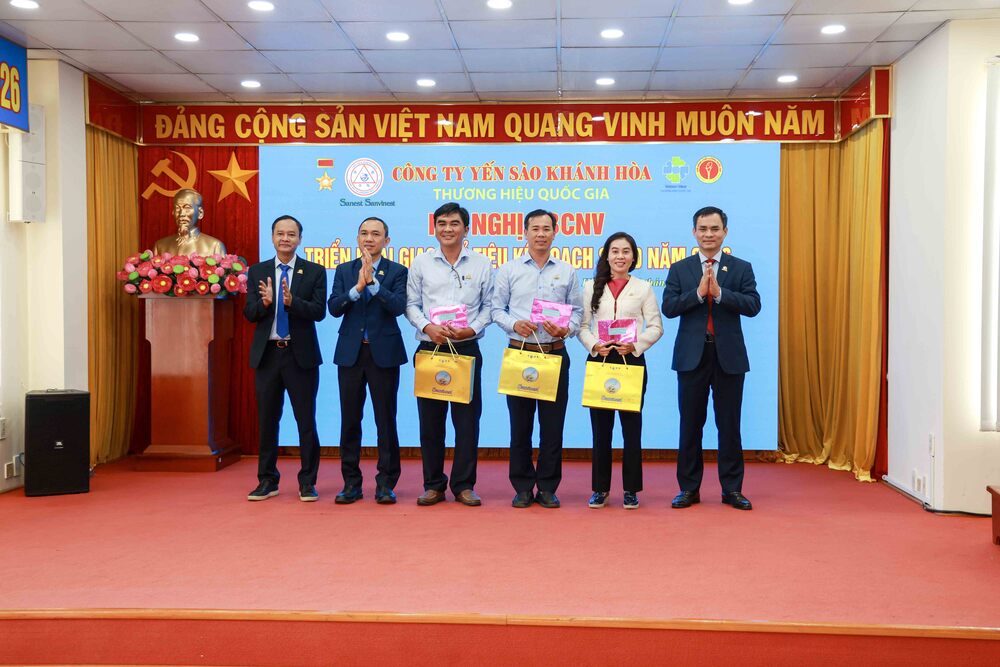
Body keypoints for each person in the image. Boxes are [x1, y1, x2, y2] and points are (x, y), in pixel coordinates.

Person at [661, 206, 761, 511]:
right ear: (694, 232)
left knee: (729, 425)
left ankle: (732, 489)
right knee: (690, 425)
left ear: (725, 232)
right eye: (703, 229)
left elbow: (753, 305)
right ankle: (688, 489)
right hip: (692, 357)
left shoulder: (740, 268)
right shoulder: (680, 269)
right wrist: (697, 294)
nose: (708, 234)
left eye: (714, 229)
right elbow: (669, 307)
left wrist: (719, 294)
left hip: (728, 357)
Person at [491, 209, 582, 509]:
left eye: (546, 229)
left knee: (552, 427)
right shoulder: (509, 270)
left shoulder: (567, 271)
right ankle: (521, 487)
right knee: (520, 426)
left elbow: (578, 313)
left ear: (555, 232)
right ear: (525, 233)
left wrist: (566, 329)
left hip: (554, 353)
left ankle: (547, 487)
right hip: (520, 353)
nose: (541, 234)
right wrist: (514, 324)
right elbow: (496, 310)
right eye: (535, 228)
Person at [405, 202, 494, 507]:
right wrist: (427, 327)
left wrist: (471, 330)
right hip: (430, 348)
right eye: (441, 223)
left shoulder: (482, 264)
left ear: (466, 229)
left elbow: (489, 307)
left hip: (466, 348)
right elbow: (411, 304)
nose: (447, 229)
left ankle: (464, 485)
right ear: (435, 228)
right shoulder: (421, 263)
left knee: (467, 422)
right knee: (430, 422)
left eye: (454, 223)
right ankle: (433, 485)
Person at [244, 215, 327, 502]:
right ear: (272, 237)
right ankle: (267, 480)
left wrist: (293, 303)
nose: (285, 239)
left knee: (306, 421)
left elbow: (319, 312)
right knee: (267, 421)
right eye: (280, 233)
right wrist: (265, 303)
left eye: (291, 234)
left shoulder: (314, 271)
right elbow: (249, 313)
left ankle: (308, 482)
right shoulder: (257, 271)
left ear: (300, 239)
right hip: (267, 356)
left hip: (299, 356)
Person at [578, 232, 663, 509]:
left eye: (626, 251)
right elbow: (582, 326)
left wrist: (636, 345)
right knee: (600, 431)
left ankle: (631, 490)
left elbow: (656, 326)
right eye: (615, 251)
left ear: (633, 257)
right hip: (601, 360)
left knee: (631, 429)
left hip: (631, 361)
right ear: (606, 255)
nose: (620, 256)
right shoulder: (591, 287)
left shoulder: (643, 288)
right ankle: (600, 489)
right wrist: (594, 345)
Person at [327, 217, 408, 505]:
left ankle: (386, 483)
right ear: (358, 238)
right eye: (364, 233)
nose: (369, 238)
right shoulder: (344, 270)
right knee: (350, 420)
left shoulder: (397, 271)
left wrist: (373, 284)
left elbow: (398, 307)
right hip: (351, 355)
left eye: (376, 234)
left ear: (387, 241)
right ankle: (351, 483)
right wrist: (357, 288)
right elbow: (334, 307)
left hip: (383, 354)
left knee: (385, 420)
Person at [152, 188, 226, 256]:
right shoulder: (160, 246)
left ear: (200, 213)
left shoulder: (215, 246)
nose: (181, 214)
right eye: (177, 208)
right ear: (173, 212)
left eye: (187, 207)